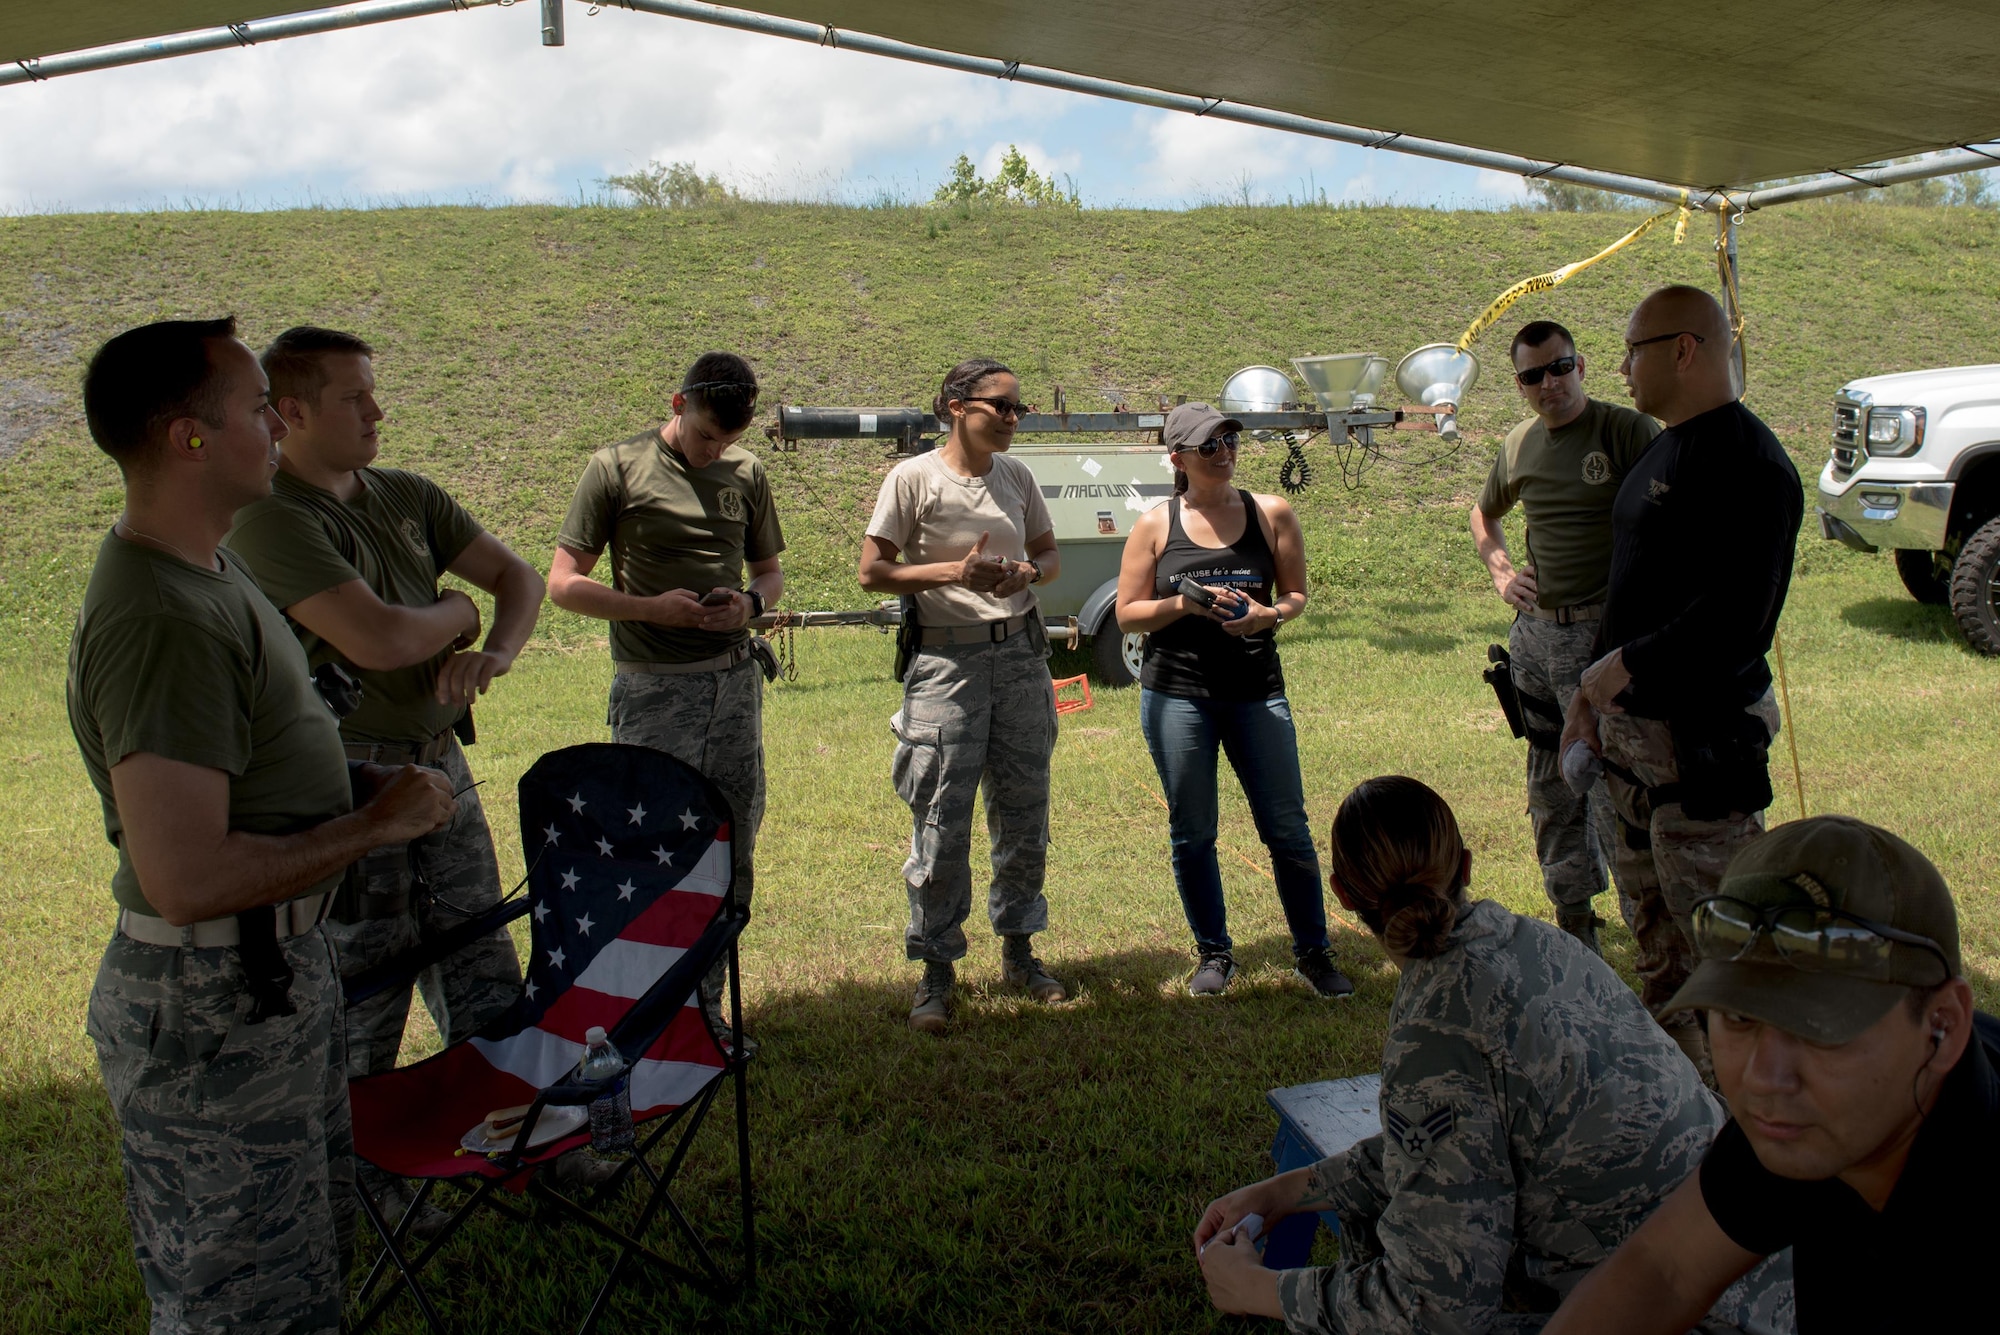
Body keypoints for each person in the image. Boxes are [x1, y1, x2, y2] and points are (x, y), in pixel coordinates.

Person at [70, 318, 456, 1332]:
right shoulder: (162, 615)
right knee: (241, 1308)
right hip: (213, 1004)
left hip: (266, 987)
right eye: (253, 409)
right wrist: (371, 832)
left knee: (296, 1281)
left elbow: (253, 762)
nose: (275, 430)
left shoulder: (213, 567)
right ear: (187, 436)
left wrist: (363, 779)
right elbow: (185, 876)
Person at [1194, 776, 1791, 1334]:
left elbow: (1433, 1307)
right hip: (1762, 1274)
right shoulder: (1543, 945)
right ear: (1466, 865)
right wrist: (1286, 1192)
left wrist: (1260, 1290)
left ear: (1344, 895)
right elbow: (1452, 1152)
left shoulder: (1439, 1027)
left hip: (1685, 1308)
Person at [224, 325, 544, 1220]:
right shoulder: (272, 514)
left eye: (374, 390)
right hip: (347, 786)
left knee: (480, 962)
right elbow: (379, 637)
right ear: (290, 414)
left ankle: (507, 1152)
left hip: (440, 768)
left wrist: (498, 651)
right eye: (353, 397)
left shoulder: (406, 494)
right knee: (363, 987)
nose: (377, 409)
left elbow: (518, 576)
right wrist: (457, 609)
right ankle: (358, 1187)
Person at [1547, 815, 1992, 1335]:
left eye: (1820, 1028)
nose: (1764, 1076)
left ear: (1944, 1026)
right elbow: (1665, 1272)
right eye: (1739, 1017)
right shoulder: (1823, 1115)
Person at [1560, 284, 1804, 1079]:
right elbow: (1628, 589)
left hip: (1696, 761)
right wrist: (1587, 699)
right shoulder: (1662, 450)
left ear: (1686, 349)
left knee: (1735, 965)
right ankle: (1681, 1121)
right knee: (1661, 957)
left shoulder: (1752, 464)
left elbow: (1739, 617)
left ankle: (1758, 1135)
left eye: (1633, 349)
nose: (1622, 367)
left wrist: (1625, 667)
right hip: (1632, 758)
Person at [548, 351, 784, 1043]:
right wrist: (650, 608)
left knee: (730, 849)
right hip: (655, 692)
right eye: (706, 436)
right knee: (653, 850)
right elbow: (563, 583)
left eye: (727, 443)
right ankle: (647, 1015)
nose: (715, 453)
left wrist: (745, 603)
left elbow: (768, 573)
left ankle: (704, 1009)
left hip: (732, 686)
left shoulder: (745, 474)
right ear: (678, 405)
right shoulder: (616, 468)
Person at [1115, 401, 1351, 999]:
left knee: (1288, 830)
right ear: (1178, 459)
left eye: (1228, 441)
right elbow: (1126, 615)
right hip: (1177, 695)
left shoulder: (1270, 512)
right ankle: (1215, 952)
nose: (1224, 454)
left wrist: (1267, 615)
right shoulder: (1154, 524)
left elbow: (1296, 594)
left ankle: (1314, 952)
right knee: (1193, 831)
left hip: (1256, 694)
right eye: (1208, 446)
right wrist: (1185, 605)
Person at [858, 357, 1066, 1033]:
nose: (1011, 418)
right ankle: (937, 968)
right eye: (1000, 406)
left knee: (1024, 808)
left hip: (1020, 657)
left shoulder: (1017, 476)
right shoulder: (913, 478)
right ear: (956, 406)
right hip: (946, 663)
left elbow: (1050, 556)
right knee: (941, 821)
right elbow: (872, 572)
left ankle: (1020, 950)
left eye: (1018, 409)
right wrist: (957, 570)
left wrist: (1027, 572)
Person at [1469, 319, 1659, 954]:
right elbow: (1484, 512)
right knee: (1550, 782)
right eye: (1533, 375)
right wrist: (1501, 573)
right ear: (1519, 385)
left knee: (1613, 786)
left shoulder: (1626, 431)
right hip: (1537, 640)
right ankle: (1575, 923)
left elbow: (1668, 519)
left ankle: (1646, 928)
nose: (1549, 383)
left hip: (1607, 634)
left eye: (1560, 367)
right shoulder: (1520, 443)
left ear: (1582, 365)